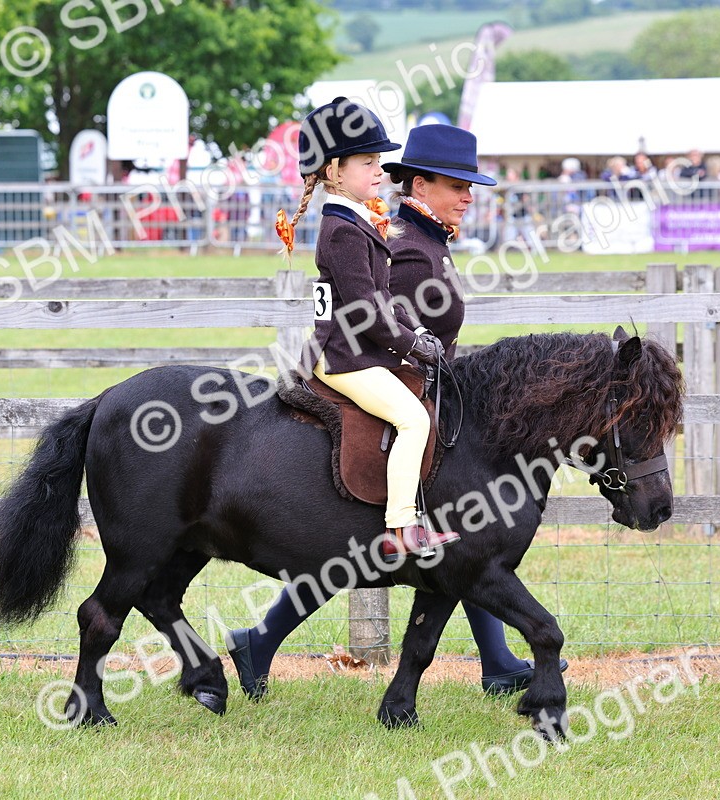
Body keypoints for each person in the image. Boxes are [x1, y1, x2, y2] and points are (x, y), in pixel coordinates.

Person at [228, 123, 568, 701]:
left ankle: (494, 658)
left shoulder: (423, 236)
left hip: (418, 385)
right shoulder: (409, 246)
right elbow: (382, 326)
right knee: (425, 533)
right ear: (420, 182)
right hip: (395, 386)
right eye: (458, 184)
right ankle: (493, 657)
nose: (468, 195)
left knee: (459, 533)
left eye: (471, 185)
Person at [275, 97, 460, 564]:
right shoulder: (342, 230)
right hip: (347, 358)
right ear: (334, 170)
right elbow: (366, 307)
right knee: (414, 419)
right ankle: (400, 527)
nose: (379, 171)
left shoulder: (358, 220)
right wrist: (411, 342)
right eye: (368, 162)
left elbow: (384, 299)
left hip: (361, 351)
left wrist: (412, 331)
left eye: (378, 161)